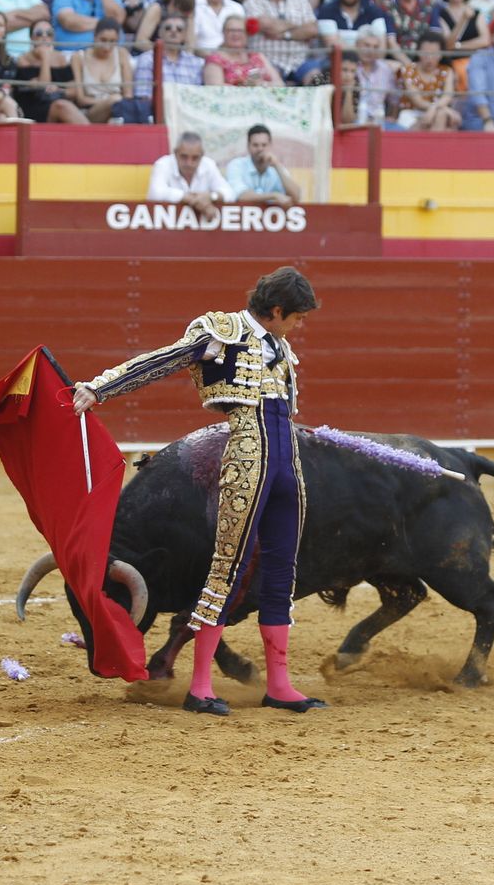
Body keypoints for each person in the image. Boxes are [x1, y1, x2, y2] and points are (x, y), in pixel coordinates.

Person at [74, 266, 324, 716]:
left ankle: (281, 685)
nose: (300, 326)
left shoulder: (281, 348)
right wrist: (99, 388)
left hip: (288, 461)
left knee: (282, 572)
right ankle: (201, 686)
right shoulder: (221, 331)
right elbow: (162, 360)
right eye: (298, 317)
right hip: (247, 455)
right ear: (277, 310)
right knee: (226, 569)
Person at [244, 0, 316, 79]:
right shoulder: (252, 1)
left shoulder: (301, 3)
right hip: (267, 62)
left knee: (319, 78)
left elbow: (312, 30)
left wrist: (284, 35)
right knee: (265, 79)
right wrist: (298, 26)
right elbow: (266, 25)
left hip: (299, 62)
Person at [145, 129, 235, 213]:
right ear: (175, 153)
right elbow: (155, 194)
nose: (189, 163)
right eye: (184, 157)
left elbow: (230, 193)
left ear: (202, 155)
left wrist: (211, 197)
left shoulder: (208, 164)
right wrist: (190, 199)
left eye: (195, 158)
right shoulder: (163, 164)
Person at [13, 18, 85, 120]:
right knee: (61, 106)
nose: (44, 37)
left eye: (49, 33)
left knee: (63, 105)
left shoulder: (61, 58)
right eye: (39, 33)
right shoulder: (24, 59)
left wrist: (59, 90)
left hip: (60, 104)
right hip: (33, 108)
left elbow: (75, 91)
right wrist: (45, 57)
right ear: (31, 37)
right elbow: (43, 87)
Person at [67, 13, 131, 119]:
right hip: (89, 113)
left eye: (112, 41)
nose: (107, 47)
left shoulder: (122, 54)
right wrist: (108, 101)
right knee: (115, 100)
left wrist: (113, 102)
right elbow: (81, 99)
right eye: (103, 40)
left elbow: (128, 94)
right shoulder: (78, 57)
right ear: (94, 36)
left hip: (118, 112)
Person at [395, 30, 460, 129]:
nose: (429, 58)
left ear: (441, 54)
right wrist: (438, 108)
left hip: (438, 112)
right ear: (418, 52)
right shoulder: (409, 70)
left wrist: (434, 109)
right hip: (411, 115)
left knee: (441, 115)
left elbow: (447, 96)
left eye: (434, 54)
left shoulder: (447, 71)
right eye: (425, 53)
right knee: (441, 114)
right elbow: (417, 101)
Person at [225, 123, 303, 202]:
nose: (260, 149)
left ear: (270, 145)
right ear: (248, 146)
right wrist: (273, 196)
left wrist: (277, 166)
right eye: (255, 145)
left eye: (264, 145)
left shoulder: (277, 167)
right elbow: (241, 195)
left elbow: (296, 197)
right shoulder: (237, 165)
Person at [204, 12, 282, 85]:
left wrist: (262, 84)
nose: (236, 34)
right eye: (231, 30)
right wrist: (245, 86)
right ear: (223, 33)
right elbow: (215, 90)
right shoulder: (215, 59)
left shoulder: (256, 56)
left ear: (247, 33)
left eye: (240, 30)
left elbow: (279, 84)